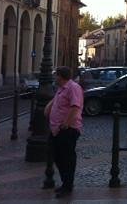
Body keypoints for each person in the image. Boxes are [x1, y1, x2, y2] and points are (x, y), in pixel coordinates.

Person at [44, 66, 84, 198]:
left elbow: (75, 106)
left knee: (67, 158)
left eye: (56, 75)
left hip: (67, 129)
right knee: (57, 156)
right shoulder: (61, 88)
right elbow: (56, 102)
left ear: (60, 76)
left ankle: (67, 186)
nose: (54, 77)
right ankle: (65, 183)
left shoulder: (73, 87)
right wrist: (48, 109)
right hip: (56, 129)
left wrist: (66, 123)